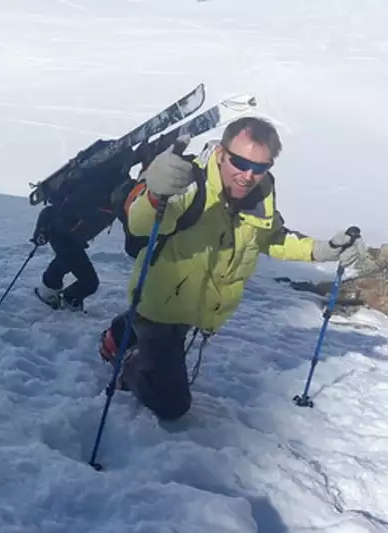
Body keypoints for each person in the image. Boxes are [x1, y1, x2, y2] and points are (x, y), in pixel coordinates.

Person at [99, 116, 373, 421]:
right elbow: (140, 223)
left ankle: (125, 330)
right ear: (220, 153)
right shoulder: (186, 181)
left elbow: (272, 237)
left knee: (170, 347)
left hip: (194, 307)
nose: (247, 175)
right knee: (172, 404)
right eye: (239, 162)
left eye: (259, 167)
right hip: (157, 308)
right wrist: (153, 192)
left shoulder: (261, 193)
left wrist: (322, 250)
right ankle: (130, 365)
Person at [32, 148, 135, 311]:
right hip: (63, 235)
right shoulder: (97, 187)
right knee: (88, 281)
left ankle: (57, 295)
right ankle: (64, 298)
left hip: (72, 238)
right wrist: (42, 229)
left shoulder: (109, 186)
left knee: (64, 263)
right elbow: (52, 210)